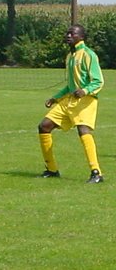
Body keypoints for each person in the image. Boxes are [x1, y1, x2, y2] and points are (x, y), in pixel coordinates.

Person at [38, 24, 104, 183]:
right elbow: (70, 86)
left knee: (83, 131)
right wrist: (55, 98)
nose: (68, 35)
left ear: (81, 36)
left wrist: (85, 91)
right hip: (69, 100)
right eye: (67, 33)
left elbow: (98, 81)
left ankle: (96, 173)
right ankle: (52, 169)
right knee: (44, 126)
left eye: (71, 33)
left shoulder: (89, 55)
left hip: (85, 101)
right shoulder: (70, 56)